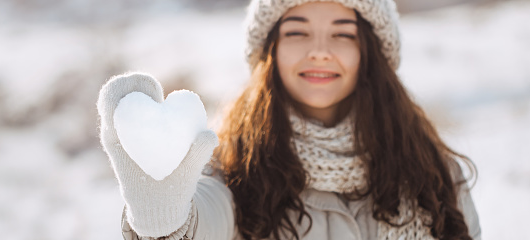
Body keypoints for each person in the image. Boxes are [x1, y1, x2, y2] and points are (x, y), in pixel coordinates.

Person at [97, 0, 481, 239]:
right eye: (297, 32)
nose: (319, 52)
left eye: (342, 35)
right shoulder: (232, 163)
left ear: (371, 53)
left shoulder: (434, 175)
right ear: (271, 51)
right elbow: (204, 219)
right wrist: (164, 220)